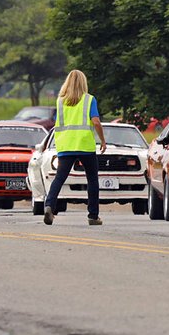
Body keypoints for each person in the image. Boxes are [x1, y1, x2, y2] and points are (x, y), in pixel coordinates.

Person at [43, 69, 107, 226]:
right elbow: (96, 122)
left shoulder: (60, 101)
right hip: (85, 145)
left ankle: (49, 205)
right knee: (92, 180)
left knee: (59, 178)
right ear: (83, 83)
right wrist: (103, 141)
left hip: (66, 145)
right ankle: (93, 216)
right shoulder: (89, 100)